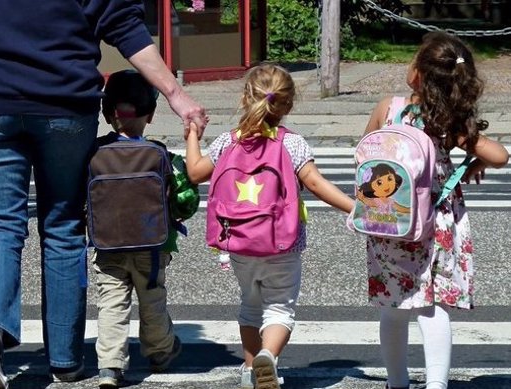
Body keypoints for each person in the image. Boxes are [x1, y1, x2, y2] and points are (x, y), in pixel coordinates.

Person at [0, 1, 208, 388]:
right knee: (63, 223)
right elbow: (125, 27)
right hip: (62, 102)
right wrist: (175, 94)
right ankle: (65, 360)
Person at [184, 64, 354, 389]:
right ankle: (268, 356)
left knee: (250, 306)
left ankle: (250, 374)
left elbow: (194, 172)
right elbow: (315, 184)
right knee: (279, 307)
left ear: (246, 98)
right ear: (287, 105)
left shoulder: (228, 141)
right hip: (282, 245)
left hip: (238, 243)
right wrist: (356, 209)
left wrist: (192, 135)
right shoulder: (292, 144)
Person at [361, 31, 509, 389]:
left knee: (393, 307)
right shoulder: (448, 120)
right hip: (434, 220)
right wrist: (470, 165)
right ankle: (436, 384)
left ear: (417, 72)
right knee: (432, 305)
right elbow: (500, 156)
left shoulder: (388, 108)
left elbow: (365, 151)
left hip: (390, 218)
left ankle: (397, 382)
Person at [91, 70, 197, 388]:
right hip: (151, 247)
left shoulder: (94, 154)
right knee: (152, 300)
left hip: (107, 244)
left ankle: (109, 365)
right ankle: (160, 351)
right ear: (149, 116)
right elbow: (185, 199)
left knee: (111, 302)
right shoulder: (160, 154)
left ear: (107, 114)